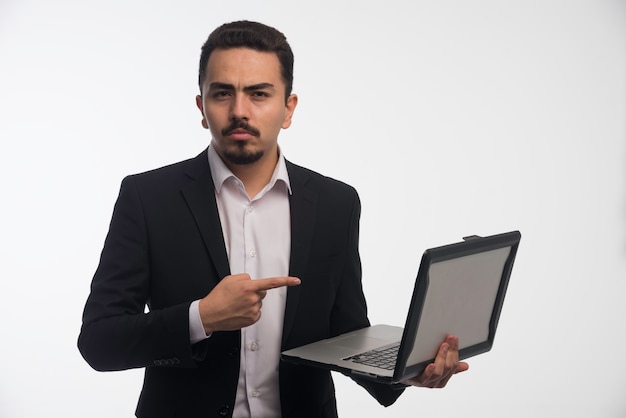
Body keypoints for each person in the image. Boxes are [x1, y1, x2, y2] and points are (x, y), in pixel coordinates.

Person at [78, 20, 469, 418]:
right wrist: (202, 317)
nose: (239, 111)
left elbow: (345, 331)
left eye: (259, 94)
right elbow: (99, 340)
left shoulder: (337, 203)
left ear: (288, 108)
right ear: (201, 107)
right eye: (222, 93)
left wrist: (407, 371)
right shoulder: (148, 197)